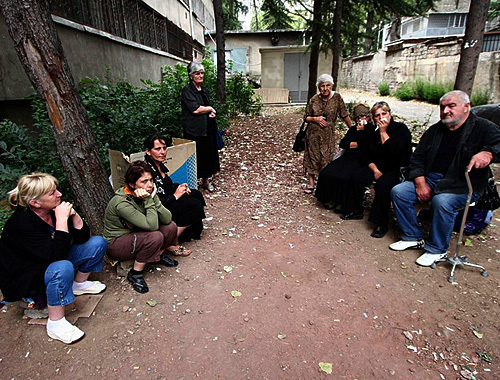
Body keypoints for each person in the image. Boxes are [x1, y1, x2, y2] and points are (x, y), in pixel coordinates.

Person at [390, 90, 500, 266]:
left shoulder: (483, 127)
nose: (446, 111)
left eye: (451, 106)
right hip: (432, 178)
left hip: (463, 183)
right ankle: (412, 236)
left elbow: (498, 145)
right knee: (399, 191)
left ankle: (437, 249)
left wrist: (488, 153)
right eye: (442, 107)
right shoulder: (435, 130)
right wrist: (420, 182)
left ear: (466, 107)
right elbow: (417, 158)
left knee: (442, 201)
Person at [0, 173, 107, 344]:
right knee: (62, 267)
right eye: (52, 193)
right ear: (35, 203)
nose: (59, 194)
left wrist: (74, 216)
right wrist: (63, 220)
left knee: (97, 243)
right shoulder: (22, 222)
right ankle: (55, 322)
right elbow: (54, 255)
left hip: (49, 261)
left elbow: (82, 238)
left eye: (56, 190)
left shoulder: (52, 210)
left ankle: (78, 284)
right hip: (24, 276)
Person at [104, 161, 190, 294]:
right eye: (144, 182)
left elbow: (167, 218)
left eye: (151, 180)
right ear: (132, 184)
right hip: (117, 243)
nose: (150, 185)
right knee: (155, 236)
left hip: (137, 233)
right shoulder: (122, 203)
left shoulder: (146, 194)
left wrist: (153, 198)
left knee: (170, 227)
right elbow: (152, 226)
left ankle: (157, 255)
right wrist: (149, 200)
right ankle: (135, 273)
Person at [340, 101, 412, 239]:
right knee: (357, 176)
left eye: (383, 114)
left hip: (396, 168)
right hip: (378, 166)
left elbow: (395, 152)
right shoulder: (372, 132)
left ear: (389, 114)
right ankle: (355, 209)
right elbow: (365, 154)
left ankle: (381, 223)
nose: (381, 118)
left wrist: (383, 132)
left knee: (383, 185)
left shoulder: (400, 129)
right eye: (377, 116)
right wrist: (374, 170)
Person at [144, 133, 206, 243]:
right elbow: (156, 200)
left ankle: (192, 231)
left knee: (195, 194)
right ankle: (170, 240)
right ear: (148, 151)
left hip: (169, 198)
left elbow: (167, 185)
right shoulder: (147, 170)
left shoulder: (159, 164)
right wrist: (175, 196)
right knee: (194, 204)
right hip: (158, 208)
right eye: (158, 149)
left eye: (164, 148)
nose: (162, 152)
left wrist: (181, 187)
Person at [315, 103, 375, 211]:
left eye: (363, 116)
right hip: (347, 157)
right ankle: (329, 198)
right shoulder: (353, 129)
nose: (360, 119)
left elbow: (367, 146)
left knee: (345, 177)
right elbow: (343, 143)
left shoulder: (372, 130)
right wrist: (354, 144)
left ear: (368, 117)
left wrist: (359, 137)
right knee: (327, 172)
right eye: (358, 117)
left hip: (361, 159)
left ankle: (342, 202)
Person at [303, 74, 353, 194]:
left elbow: (344, 114)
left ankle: (324, 183)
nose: (325, 89)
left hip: (328, 134)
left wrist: (352, 129)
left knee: (327, 157)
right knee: (312, 157)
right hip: (313, 133)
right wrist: (315, 119)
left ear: (331, 86)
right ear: (318, 87)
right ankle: (311, 183)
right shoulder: (314, 99)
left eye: (327, 86)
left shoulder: (337, 98)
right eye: (322, 86)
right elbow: (306, 117)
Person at [181, 61, 220, 192]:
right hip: (195, 130)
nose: (201, 76)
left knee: (208, 155)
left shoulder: (203, 89)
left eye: (202, 73)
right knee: (198, 156)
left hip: (207, 129)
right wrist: (210, 108)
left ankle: (206, 181)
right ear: (191, 75)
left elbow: (208, 105)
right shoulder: (187, 90)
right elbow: (195, 109)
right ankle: (192, 184)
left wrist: (212, 111)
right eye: (198, 73)